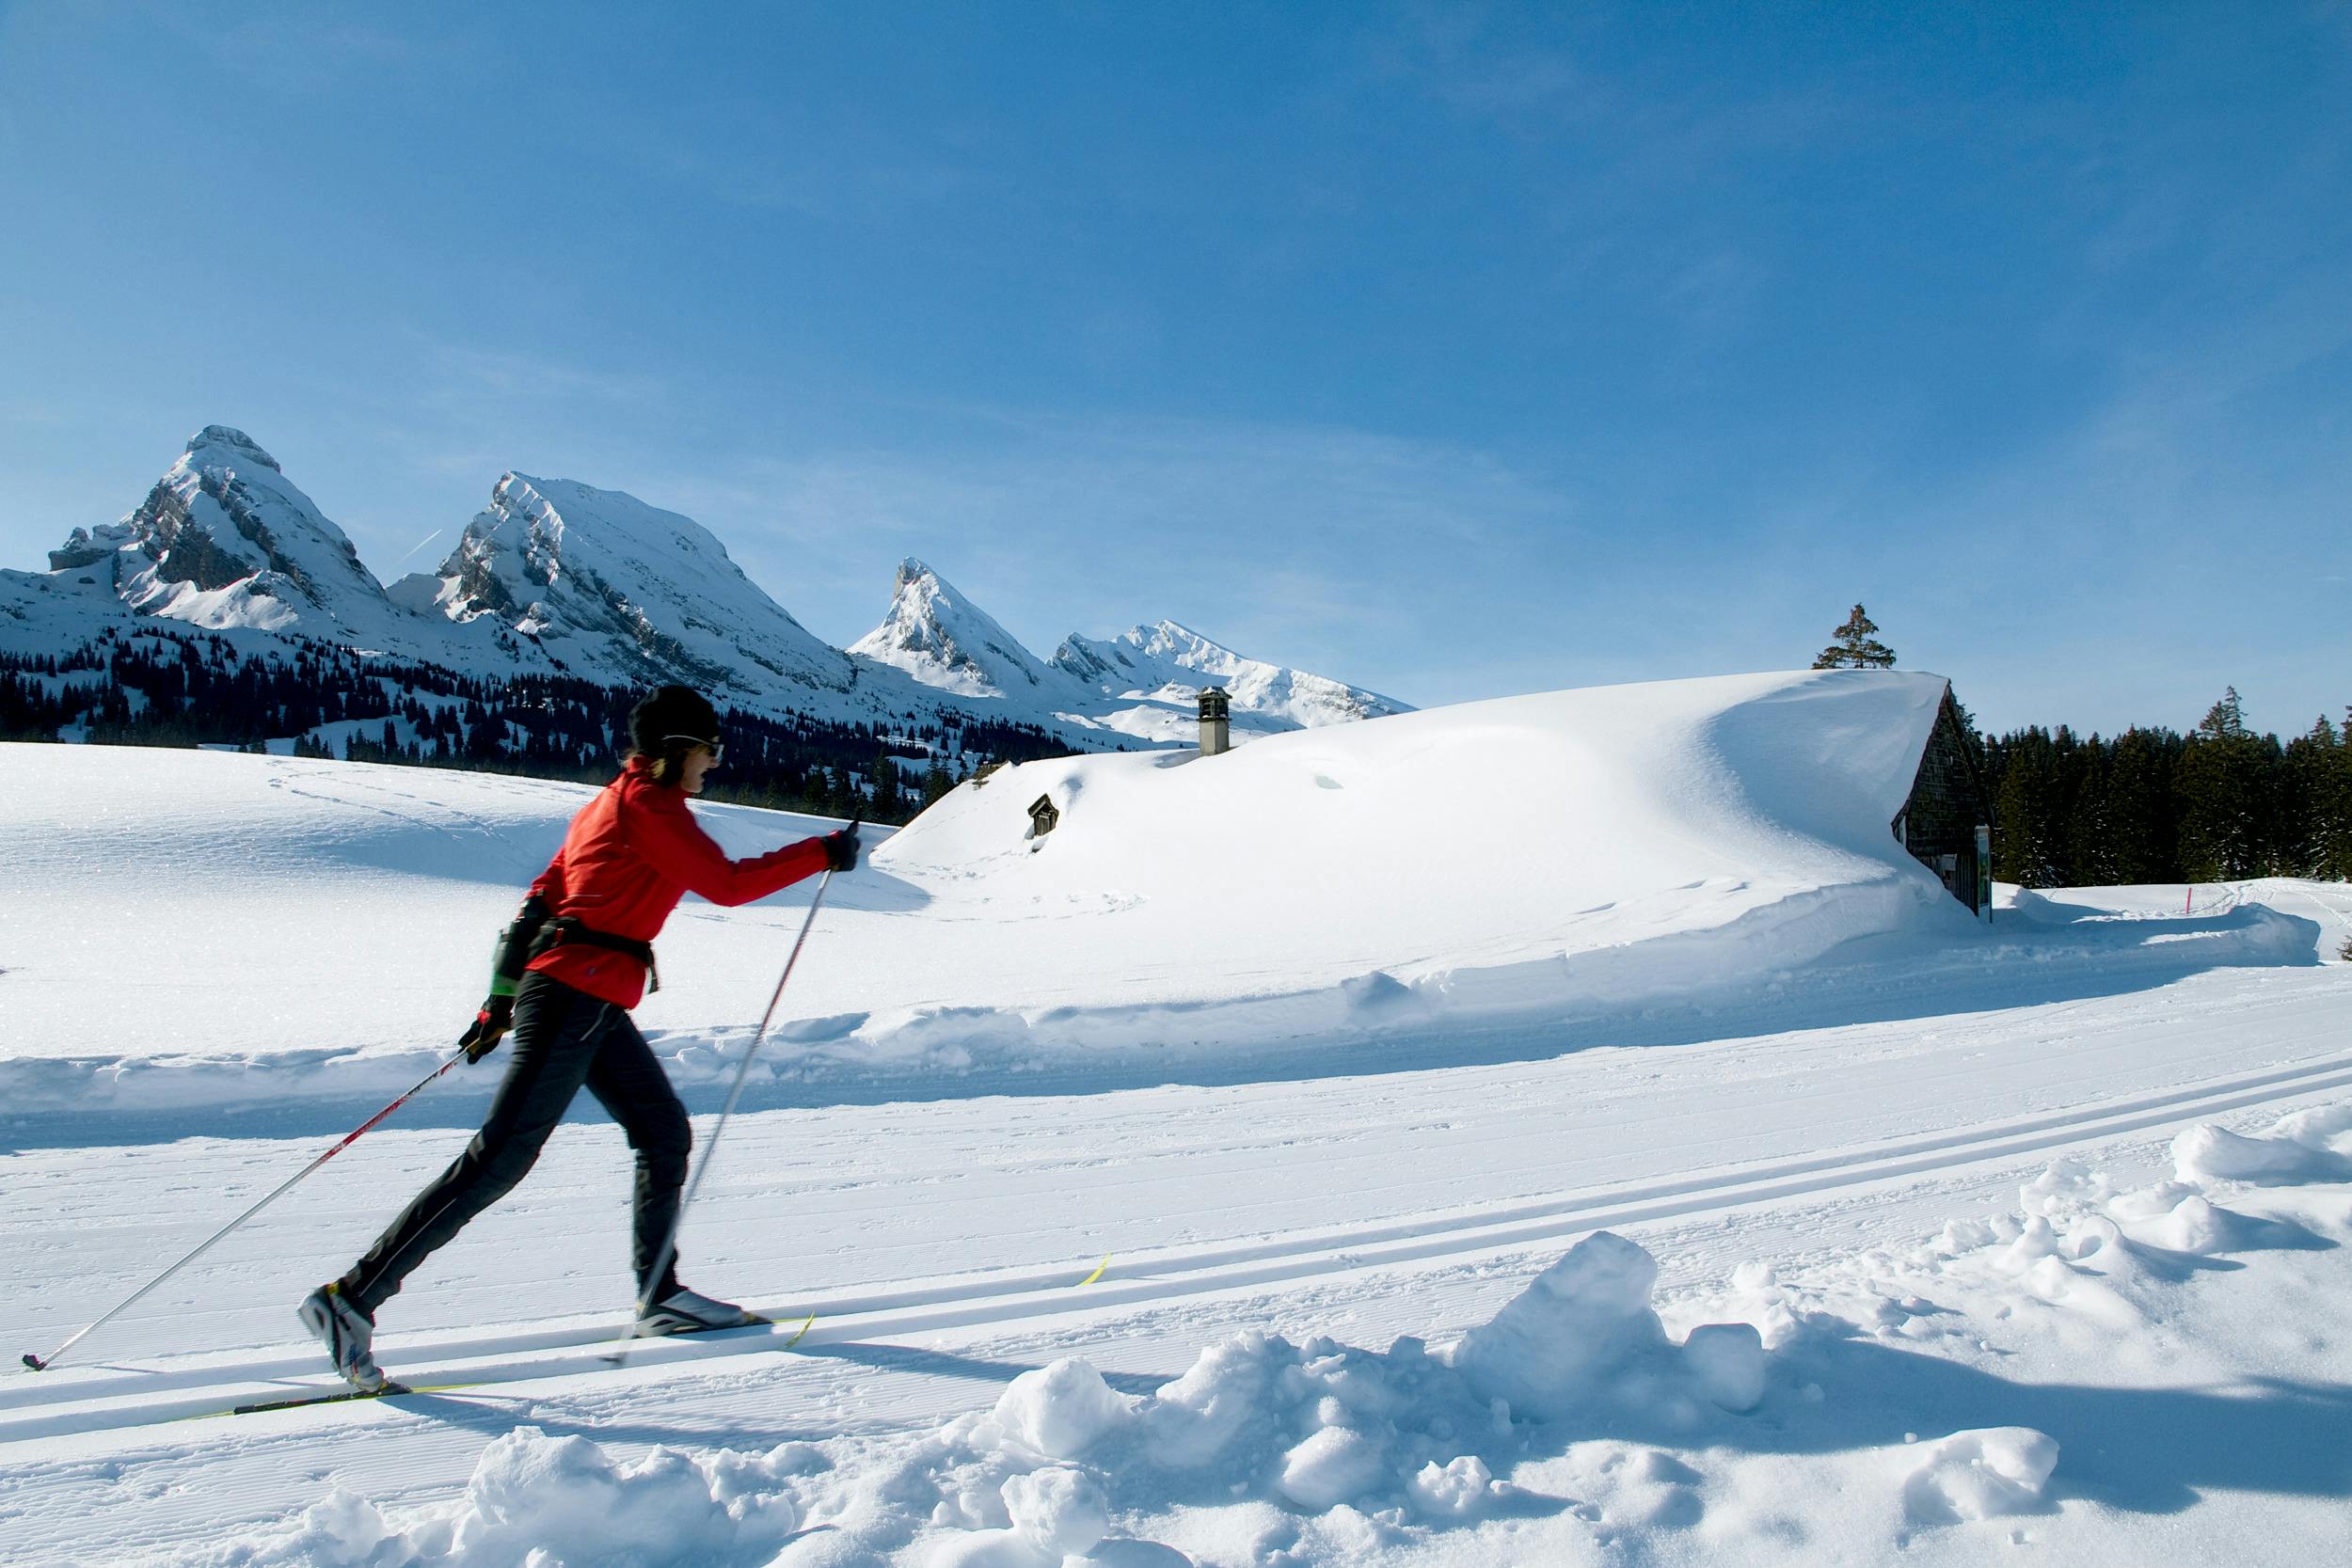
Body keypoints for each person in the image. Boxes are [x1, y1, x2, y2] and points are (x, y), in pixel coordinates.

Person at [298, 685, 859, 1390]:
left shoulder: (605, 804)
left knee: (661, 1129)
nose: (714, 762)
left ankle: (660, 1293)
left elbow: (539, 900)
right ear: (678, 750)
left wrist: (499, 1001)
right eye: (709, 749)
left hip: (579, 995)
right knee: (500, 1158)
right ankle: (352, 1297)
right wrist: (822, 851)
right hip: (576, 994)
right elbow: (725, 882)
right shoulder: (650, 807)